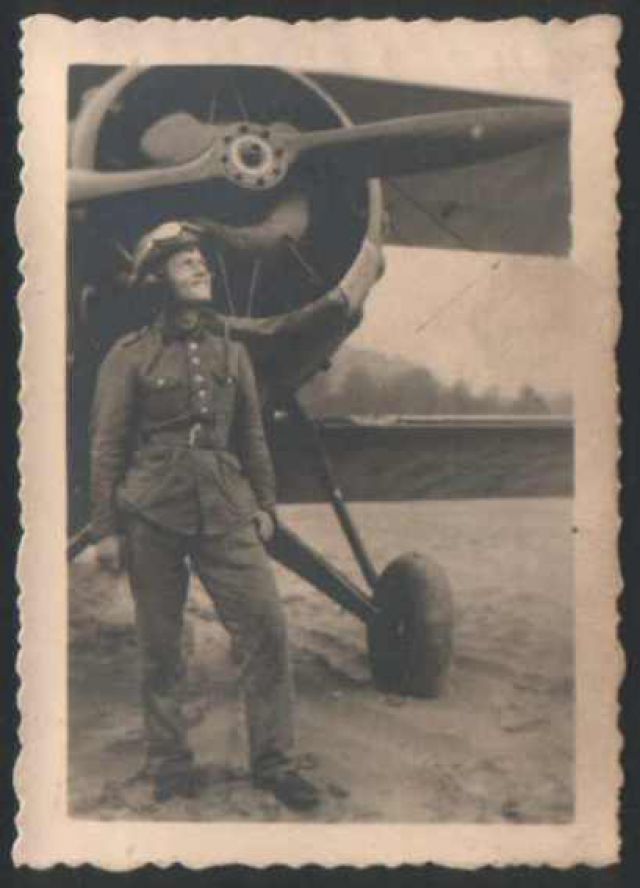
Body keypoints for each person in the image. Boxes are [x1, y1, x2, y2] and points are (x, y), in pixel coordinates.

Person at [90, 220, 383, 809]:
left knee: (266, 630)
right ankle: (170, 764)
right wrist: (106, 531)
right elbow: (107, 446)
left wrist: (265, 506)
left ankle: (275, 762)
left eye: (200, 258)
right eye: (185, 262)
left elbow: (251, 437)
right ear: (158, 281)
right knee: (161, 647)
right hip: (152, 512)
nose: (201, 266)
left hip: (227, 508)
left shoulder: (233, 352)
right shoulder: (128, 356)